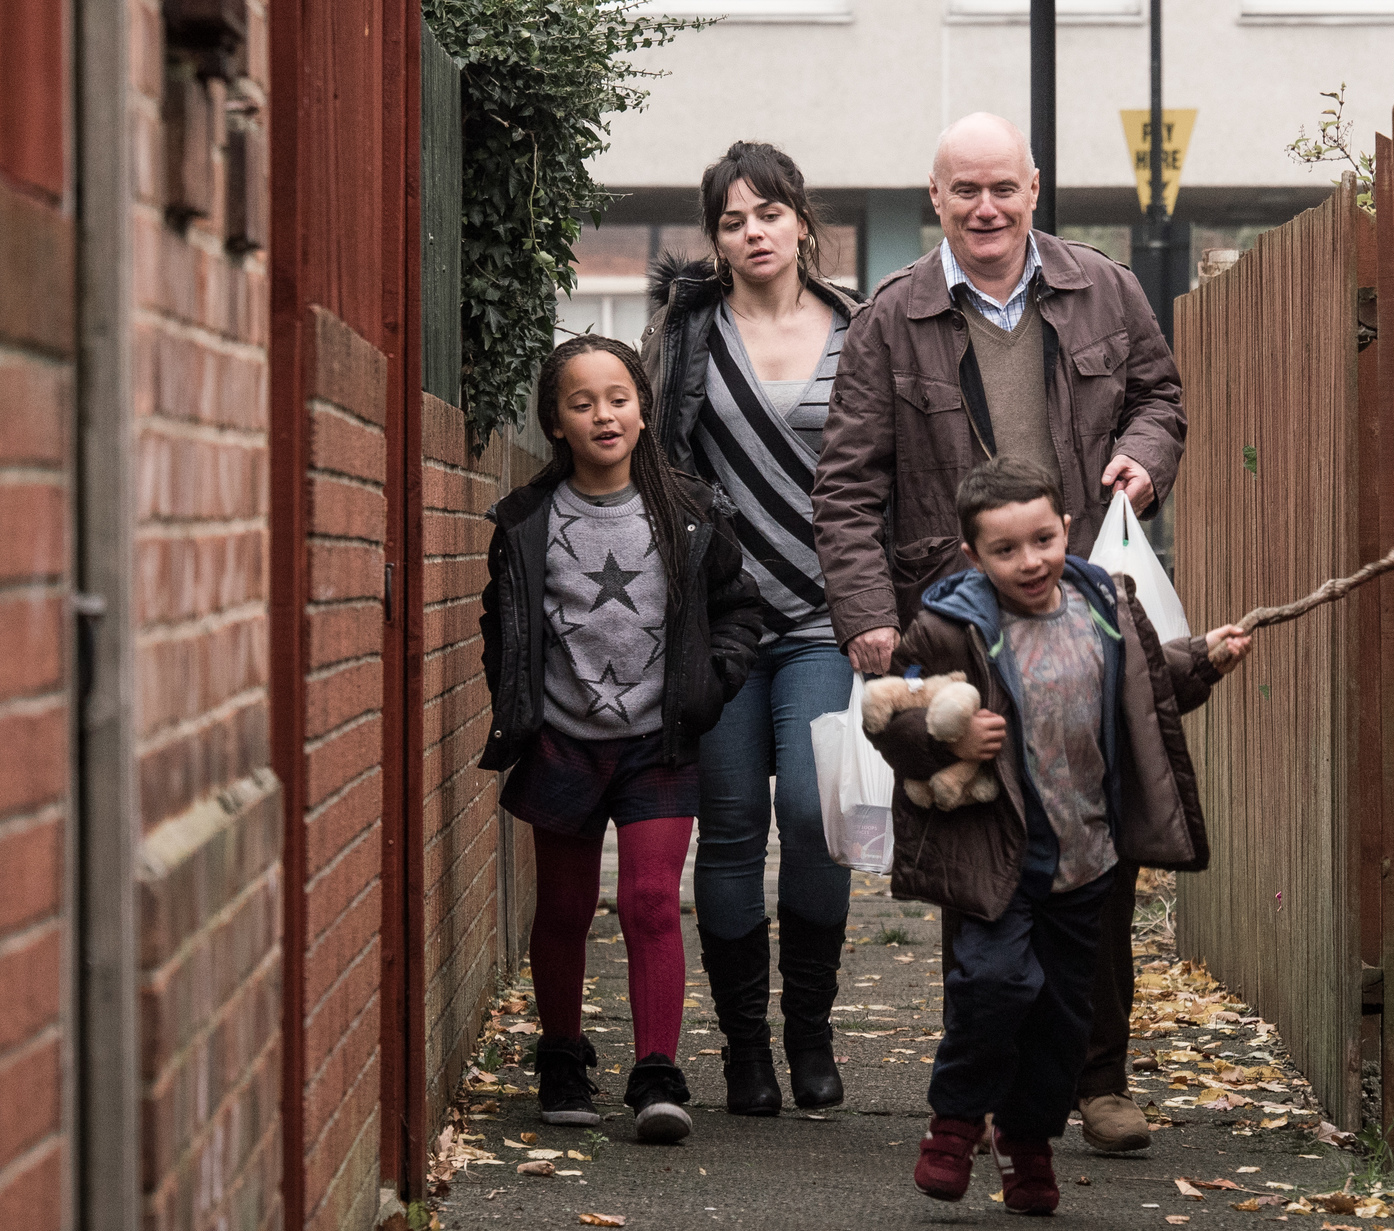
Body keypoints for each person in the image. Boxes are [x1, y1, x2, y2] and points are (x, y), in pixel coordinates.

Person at [812, 111, 1186, 1154]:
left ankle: (1097, 1078)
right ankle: (974, 1090)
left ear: (1032, 189)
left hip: (1083, 609)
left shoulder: (1103, 287)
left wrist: (1143, 461)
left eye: (1002, 189)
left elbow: (1159, 395)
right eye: (962, 191)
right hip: (956, 626)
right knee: (975, 856)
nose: (985, 209)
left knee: (1094, 845)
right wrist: (869, 625)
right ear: (934, 199)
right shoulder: (891, 319)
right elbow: (846, 490)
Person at [868, 457, 1250, 1212]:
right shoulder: (949, 625)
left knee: (1063, 1018)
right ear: (973, 556)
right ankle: (953, 1119)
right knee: (994, 983)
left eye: (1042, 539)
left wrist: (1204, 659)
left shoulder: (1106, 601)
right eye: (1006, 550)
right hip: (999, 855)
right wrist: (946, 739)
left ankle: (1027, 1138)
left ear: (1066, 530)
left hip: (1088, 857)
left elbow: (1149, 684)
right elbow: (889, 713)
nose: (1030, 560)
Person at [479, 335, 762, 1143]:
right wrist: (518, 697)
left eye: (618, 398)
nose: (603, 414)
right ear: (556, 423)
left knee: (647, 900)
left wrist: (709, 689)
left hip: (657, 744)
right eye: (581, 402)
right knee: (565, 908)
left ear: (642, 409)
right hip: (562, 742)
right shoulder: (526, 519)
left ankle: (657, 1072)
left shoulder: (691, 509)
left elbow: (739, 610)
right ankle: (563, 1056)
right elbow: (499, 624)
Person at [642, 142, 865, 1115]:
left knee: (817, 822)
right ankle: (747, 1055)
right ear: (717, 239)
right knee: (730, 829)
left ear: (802, 221)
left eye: (767, 212)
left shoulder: (859, 331)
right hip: (724, 623)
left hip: (827, 617)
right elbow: (658, 463)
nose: (752, 231)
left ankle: (810, 1035)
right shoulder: (687, 337)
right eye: (732, 220)